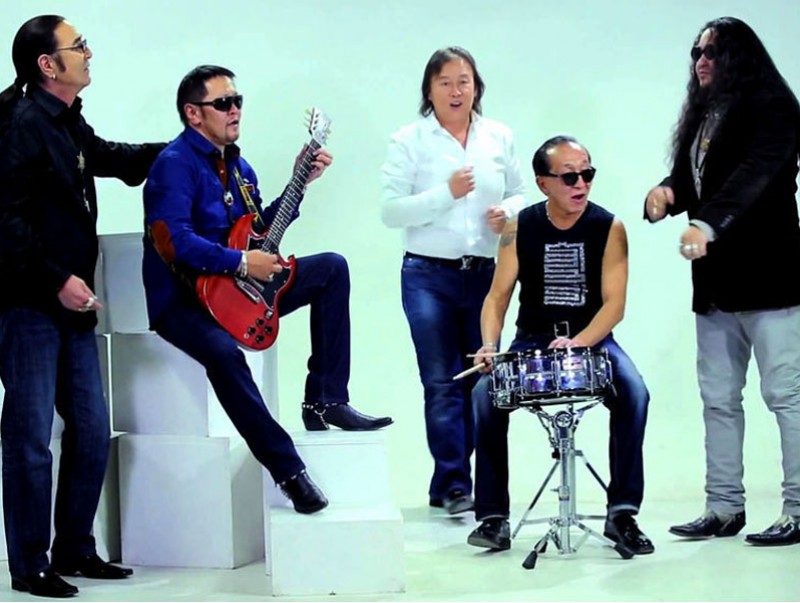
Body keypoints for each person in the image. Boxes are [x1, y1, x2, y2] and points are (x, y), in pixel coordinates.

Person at [142, 65, 392, 517]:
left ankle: (326, 399)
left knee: (332, 269)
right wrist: (241, 263)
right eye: (223, 103)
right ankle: (288, 471)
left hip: (240, 289)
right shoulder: (173, 166)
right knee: (224, 354)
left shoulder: (241, 169)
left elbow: (260, 233)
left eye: (237, 101)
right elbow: (173, 242)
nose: (235, 110)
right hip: (183, 300)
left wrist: (299, 183)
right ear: (193, 113)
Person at [0, 15, 166, 599]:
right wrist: (54, 281)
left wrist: (186, 149)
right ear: (48, 64)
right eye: (79, 46)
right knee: (28, 438)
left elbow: (112, 158)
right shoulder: (20, 124)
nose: (89, 53)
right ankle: (30, 564)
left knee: (91, 430)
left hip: (73, 304)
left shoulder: (67, 120)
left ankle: (75, 547)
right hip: (28, 305)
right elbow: (5, 221)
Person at [645, 17, 800, 546]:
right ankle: (723, 506)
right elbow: (700, 178)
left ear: (740, 58)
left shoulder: (774, 109)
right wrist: (668, 193)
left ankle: (798, 509)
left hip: (769, 279)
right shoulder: (705, 113)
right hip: (715, 285)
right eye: (696, 52)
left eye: (712, 52)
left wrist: (707, 224)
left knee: (785, 395)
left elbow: (753, 178)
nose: (701, 62)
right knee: (717, 398)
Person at [467, 136, 653, 555]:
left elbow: (615, 305)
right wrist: (489, 345)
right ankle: (493, 518)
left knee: (635, 394)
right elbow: (496, 298)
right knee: (484, 395)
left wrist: (579, 342)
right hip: (533, 339)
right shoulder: (520, 228)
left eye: (587, 174)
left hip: (592, 340)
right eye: (569, 177)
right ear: (543, 183)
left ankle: (622, 514)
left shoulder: (609, 227)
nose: (581, 184)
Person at [380, 47, 526, 515]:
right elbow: (391, 210)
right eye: (444, 82)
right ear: (429, 90)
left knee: (481, 378)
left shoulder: (498, 136)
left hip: (484, 274)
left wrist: (509, 212)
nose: (456, 91)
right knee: (442, 381)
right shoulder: (409, 140)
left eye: (464, 81)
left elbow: (522, 191)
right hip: (428, 275)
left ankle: (468, 483)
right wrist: (447, 194)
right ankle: (453, 485)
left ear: (476, 87)